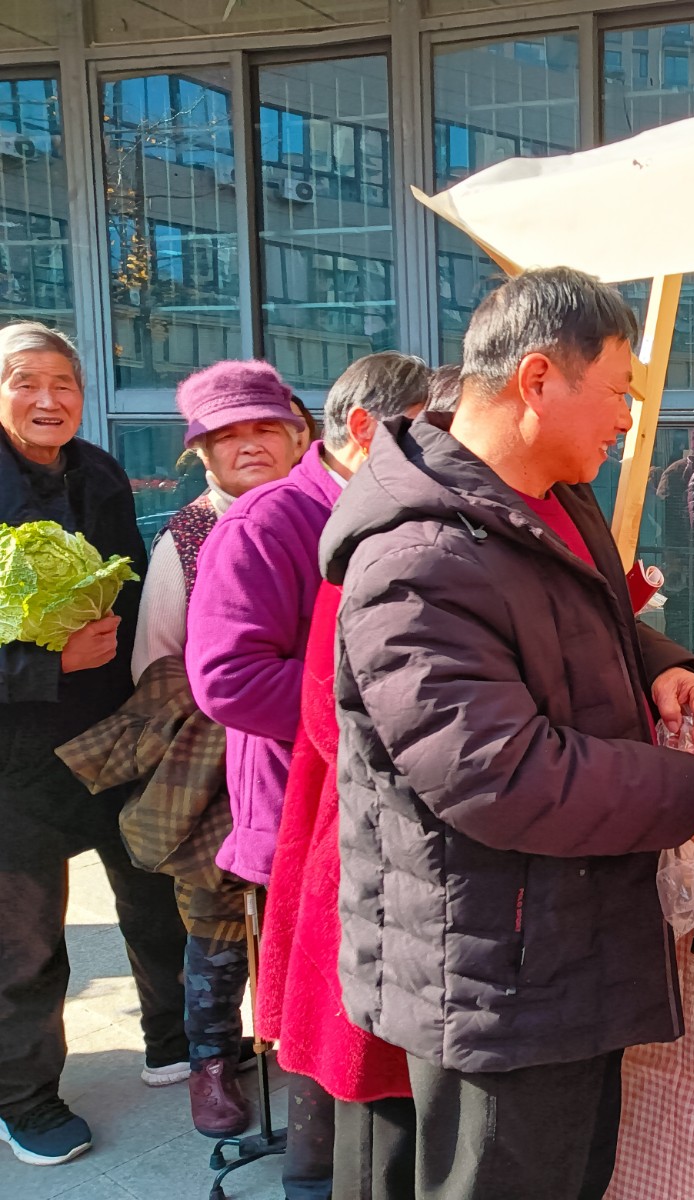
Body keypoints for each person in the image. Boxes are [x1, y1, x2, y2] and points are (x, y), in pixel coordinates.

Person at [321, 267, 694, 1200]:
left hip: (559, 943)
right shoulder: (416, 558)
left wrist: (660, 661)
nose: (627, 418)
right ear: (538, 379)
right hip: (493, 970)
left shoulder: (553, 494)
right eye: (619, 391)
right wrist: (691, 793)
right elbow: (500, 776)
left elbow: (584, 616)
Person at [186, 351, 430, 1197]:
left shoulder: (386, 508)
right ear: (365, 432)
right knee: (321, 1011)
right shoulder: (271, 520)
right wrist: (376, 698)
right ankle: (313, 1177)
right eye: (428, 433)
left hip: (362, 805)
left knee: (355, 1011)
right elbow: (225, 678)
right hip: (298, 805)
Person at [0, 322, 188, 1166]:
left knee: (153, 889)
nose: (48, 400)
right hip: (13, 751)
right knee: (25, 937)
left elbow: (136, 591)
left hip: (112, 730)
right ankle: (24, 1098)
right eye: (24, 382)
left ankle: (178, 1040)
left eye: (64, 383)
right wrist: (48, 662)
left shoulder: (99, 472)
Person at [125, 361, 304, 1136]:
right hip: (216, 756)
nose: (250, 445)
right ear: (201, 452)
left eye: (265, 427)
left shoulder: (329, 511)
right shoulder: (188, 535)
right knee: (217, 914)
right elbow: (156, 665)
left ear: (297, 433)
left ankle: (299, 1039)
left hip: (312, 753)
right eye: (228, 435)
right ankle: (210, 1062)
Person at [257, 579, 415, 1200]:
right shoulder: (380, 547)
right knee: (366, 1089)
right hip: (371, 834)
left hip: (380, 832)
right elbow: (235, 678)